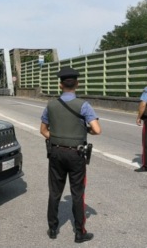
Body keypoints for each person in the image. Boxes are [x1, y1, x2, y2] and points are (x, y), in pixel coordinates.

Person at [40, 66, 101, 243]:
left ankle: (52, 228)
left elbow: (43, 130)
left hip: (56, 152)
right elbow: (97, 130)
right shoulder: (84, 105)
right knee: (77, 193)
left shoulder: (51, 105)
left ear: (60, 85)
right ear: (77, 84)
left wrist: (59, 138)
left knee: (54, 192)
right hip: (76, 154)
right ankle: (79, 232)